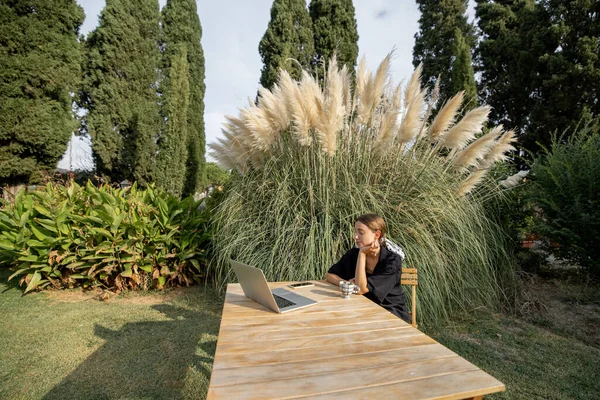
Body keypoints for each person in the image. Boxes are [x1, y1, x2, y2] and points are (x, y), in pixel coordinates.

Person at [326, 213, 410, 323]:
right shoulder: (353, 255)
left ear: (377, 235)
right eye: (355, 232)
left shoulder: (392, 261)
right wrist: (347, 284)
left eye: (360, 232)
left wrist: (362, 254)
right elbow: (330, 275)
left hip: (390, 313)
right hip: (362, 309)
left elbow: (361, 289)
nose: (355, 236)